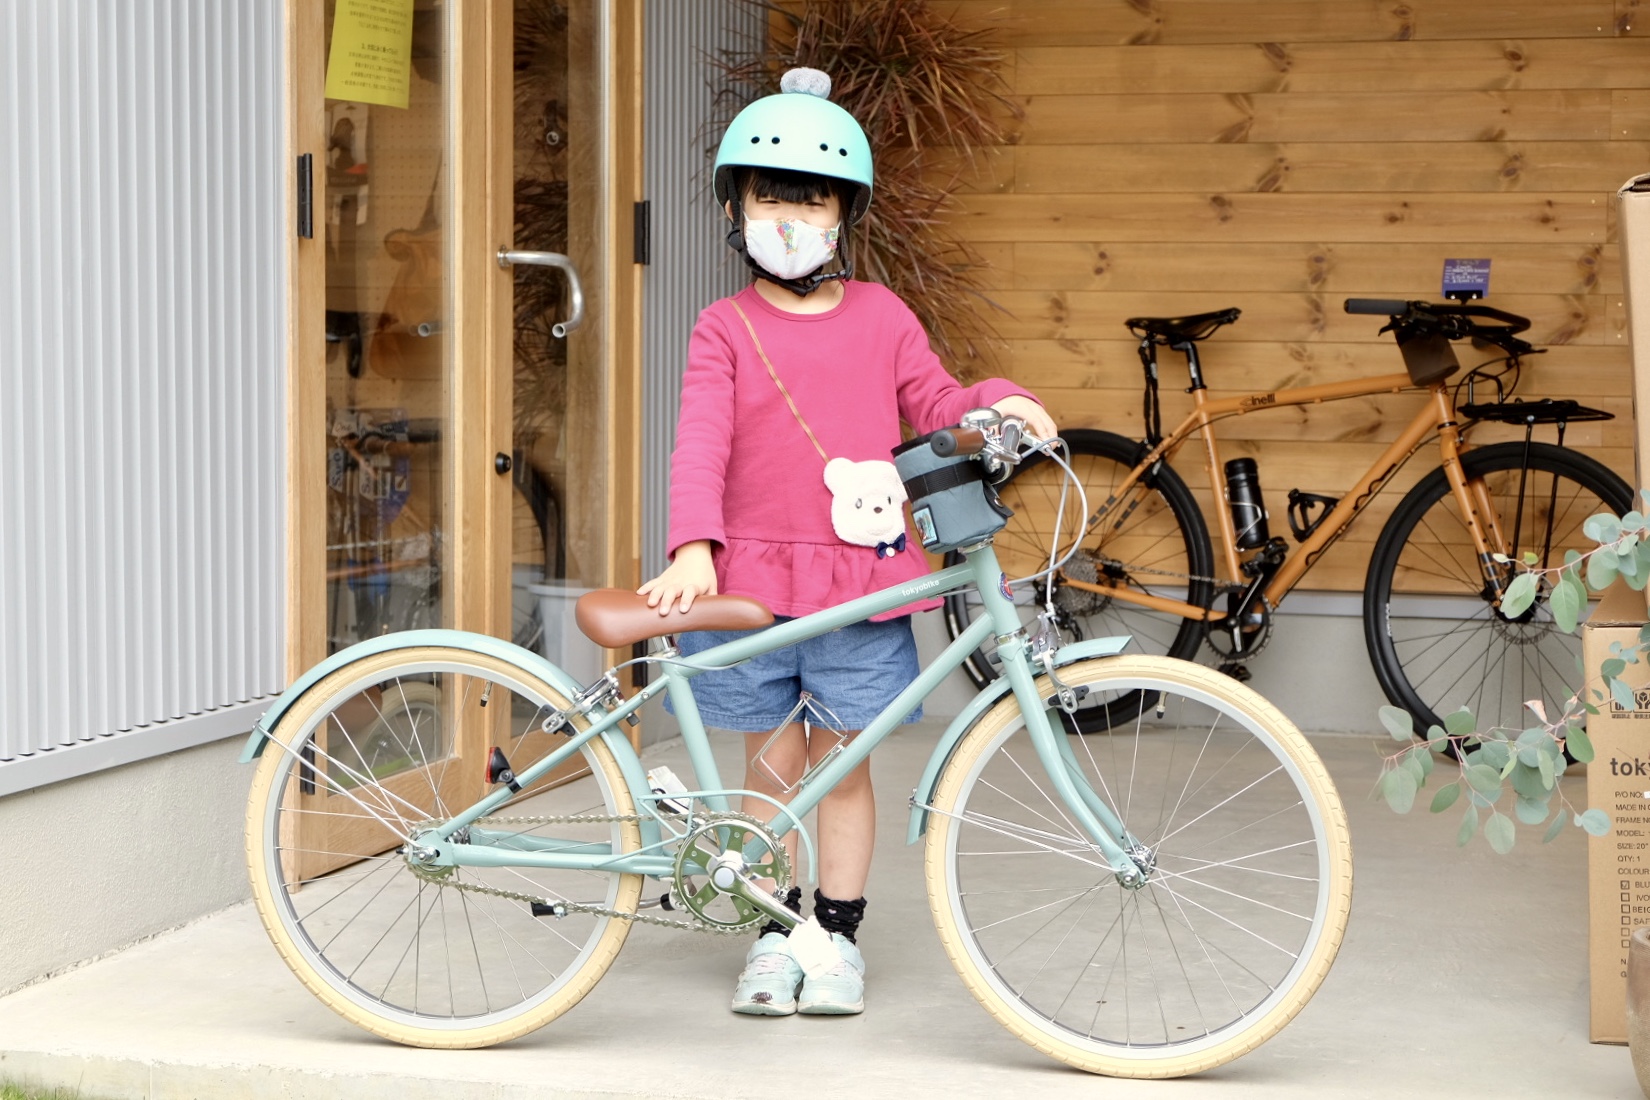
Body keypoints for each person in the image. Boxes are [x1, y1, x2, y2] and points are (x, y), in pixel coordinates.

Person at [637, 68, 1057, 1018]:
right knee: (770, 769)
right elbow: (700, 439)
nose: (790, 217)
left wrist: (1000, 400)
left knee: (843, 766)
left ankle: (835, 938)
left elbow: (938, 403)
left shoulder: (882, 317)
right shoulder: (723, 328)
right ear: (736, 210)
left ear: (844, 215)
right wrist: (694, 543)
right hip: (750, 580)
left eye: (812, 199)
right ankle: (773, 931)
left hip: (860, 583)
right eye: (770, 198)